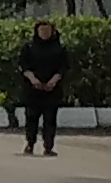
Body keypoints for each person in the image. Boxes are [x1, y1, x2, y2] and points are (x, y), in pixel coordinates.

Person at [16, 17, 70, 156]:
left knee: (50, 119)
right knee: (31, 119)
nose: (44, 33)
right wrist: (33, 79)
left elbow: (64, 67)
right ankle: (30, 144)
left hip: (52, 91)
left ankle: (49, 147)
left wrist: (54, 80)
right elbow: (23, 65)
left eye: (47, 31)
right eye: (42, 30)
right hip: (33, 90)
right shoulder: (29, 47)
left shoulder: (59, 48)